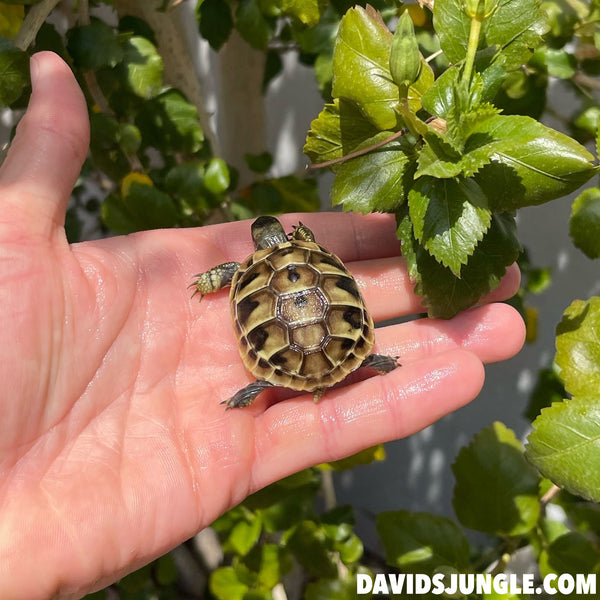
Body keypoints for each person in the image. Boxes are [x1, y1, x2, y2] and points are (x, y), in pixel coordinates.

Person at [0, 52, 525, 600]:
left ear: (258, 243)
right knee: (344, 342)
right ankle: (365, 357)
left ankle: (273, 381)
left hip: (279, 350)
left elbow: (223, 277)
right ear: (285, 237)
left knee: (289, 366)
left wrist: (208, 281)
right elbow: (326, 267)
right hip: (334, 325)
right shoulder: (311, 251)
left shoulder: (244, 269)